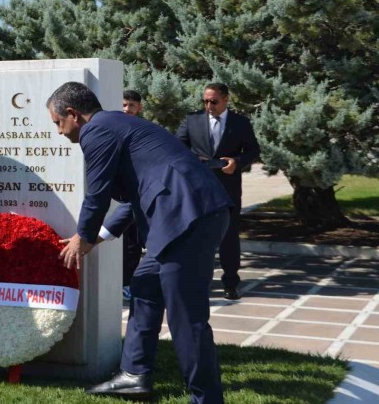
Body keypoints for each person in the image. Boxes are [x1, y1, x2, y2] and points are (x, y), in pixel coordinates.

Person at [47, 82, 232, 403]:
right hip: (184, 215)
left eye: (58, 122)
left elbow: (97, 193)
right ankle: (134, 375)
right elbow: (137, 197)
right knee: (145, 285)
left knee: (186, 317)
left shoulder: (97, 130)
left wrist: (83, 236)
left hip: (186, 216)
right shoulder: (118, 125)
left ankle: (207, 398)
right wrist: (98, 236)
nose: (59, 131)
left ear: (73, 114)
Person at [176, 83, 260, 300]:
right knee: (196, 235)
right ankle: (196, 281)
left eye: (213, 101)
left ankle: (231, 283)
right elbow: (177, 147)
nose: (208, 106)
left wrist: (237, 161)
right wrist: (192, 163)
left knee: (229, 235)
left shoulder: (240, 122)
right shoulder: (192, 120)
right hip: (197, 186)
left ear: (225, 100)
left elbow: (253, 150)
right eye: (205, 101)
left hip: (227, 186)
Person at [119, 89, 145, 301]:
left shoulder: (144, 129)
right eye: (124, 105)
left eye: (132, 106)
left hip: (137, 192)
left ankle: (128, 282)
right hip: (117, 191)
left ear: (139, 108)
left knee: (133, 243)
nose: (127, 109)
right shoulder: (112, 127)